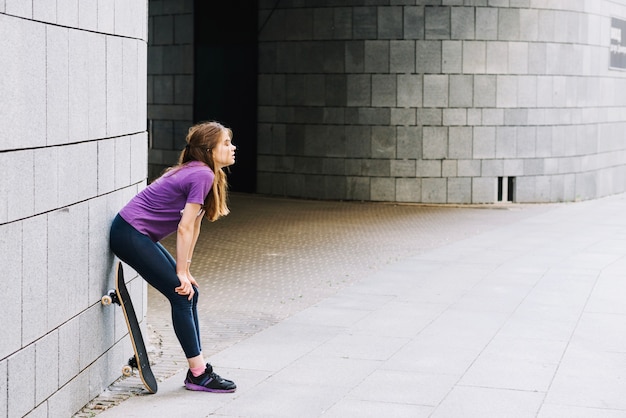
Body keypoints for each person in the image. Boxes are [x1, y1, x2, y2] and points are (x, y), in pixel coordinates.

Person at [109, 121, 237, 393]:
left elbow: (195, 224)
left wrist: (186, 269)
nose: (232, 147)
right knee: (181, 294)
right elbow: (184, 227)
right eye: (226, 143)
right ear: (210, 150)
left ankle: (199, 370)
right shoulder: (202, 174)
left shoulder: (203, 172)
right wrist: (180, 273)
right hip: (130, 233)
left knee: (190, 292)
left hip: (134, 233)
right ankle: (199, 374)